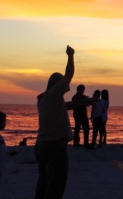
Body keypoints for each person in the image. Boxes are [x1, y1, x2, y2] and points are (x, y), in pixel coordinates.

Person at [34, 46, 92, 199]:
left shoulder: (46, 98)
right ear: (57, 84)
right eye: (63, 84)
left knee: (44, 183)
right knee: (55, 186)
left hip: (42, 145)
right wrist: (71, 56)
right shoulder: (54, 93)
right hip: (54, 146)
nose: (67, 87)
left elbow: (66, 106)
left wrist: (86, 101)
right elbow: (69, 75)